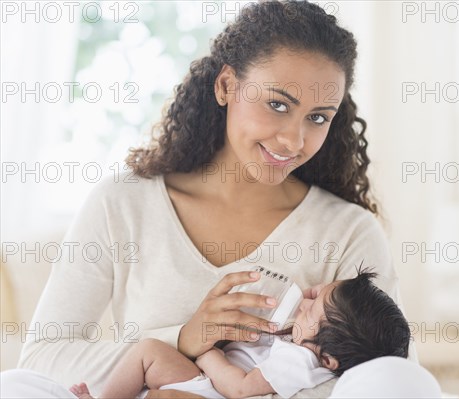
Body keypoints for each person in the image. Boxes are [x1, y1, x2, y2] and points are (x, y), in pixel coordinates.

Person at [1, 1, 419, 398]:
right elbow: (42, 360)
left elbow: (389, 381)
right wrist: (181, 339)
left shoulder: (347, 232)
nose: (294, 139)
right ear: (226, 85)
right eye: (277, 104)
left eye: (318, 117)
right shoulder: (122, 205)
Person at [68, 269, 411, 399]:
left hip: (213, 390)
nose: (307, 298)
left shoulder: (303, 360)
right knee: (148, 353)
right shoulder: (306, 342)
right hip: (205, 382)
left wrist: (206, 353)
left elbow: (241, 387)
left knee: (154, 368)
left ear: (328, 357)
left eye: (313, 307)